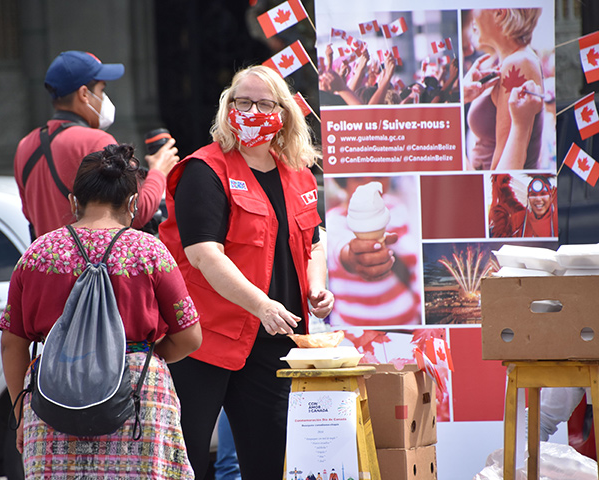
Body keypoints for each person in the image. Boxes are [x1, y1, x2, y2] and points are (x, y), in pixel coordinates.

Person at [159, 65, 334, 479]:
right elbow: (203, 254)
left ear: (283, 113)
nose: (252, 111)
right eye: (242, 101)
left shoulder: (297, 173)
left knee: (270, 458)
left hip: (272, 341)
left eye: (263, 103)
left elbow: (314, 240)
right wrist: (261, 303)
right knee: (186, 458)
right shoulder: (204, 170)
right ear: (228, 108)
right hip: (203, 338)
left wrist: (317, 286)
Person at [0, 144, 202, 480]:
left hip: (53, 399)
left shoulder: (38, 254)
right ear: (134, 204)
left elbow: (12, 344)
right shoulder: (149, 251)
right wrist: (144, 357)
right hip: (138, 399)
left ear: (73, 201)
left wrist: (21, 414)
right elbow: (190, 336)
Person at [14, 50, 179, 239]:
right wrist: (159, 171)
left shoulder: (25, 146)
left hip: (48, 264)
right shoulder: (96, 141)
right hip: (92, 265)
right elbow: (137, 211)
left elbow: (29, 215)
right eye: (101, 90)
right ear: (84, 94)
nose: (104, 98)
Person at [325, 177, 421, 326]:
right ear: (343, 183)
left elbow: (413, 268)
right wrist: (355, 257)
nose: (369, 185)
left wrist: (422, 314)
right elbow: (343, 251)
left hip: (407, 323)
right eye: (358, 179)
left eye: (377, 177)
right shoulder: (334, 220)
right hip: (356, 332)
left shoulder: (396, 209)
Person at [464, 8, 545, 170]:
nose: (472, 16)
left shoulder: (518, 63)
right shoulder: (499, 62)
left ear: (500, 13)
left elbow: (503, 173)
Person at [489, 174, 557, 237]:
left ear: (550, 196)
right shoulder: (518, 220)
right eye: (533, 195)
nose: (538, 199)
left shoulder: (558, 219)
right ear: (528, 198)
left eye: (543, 194)